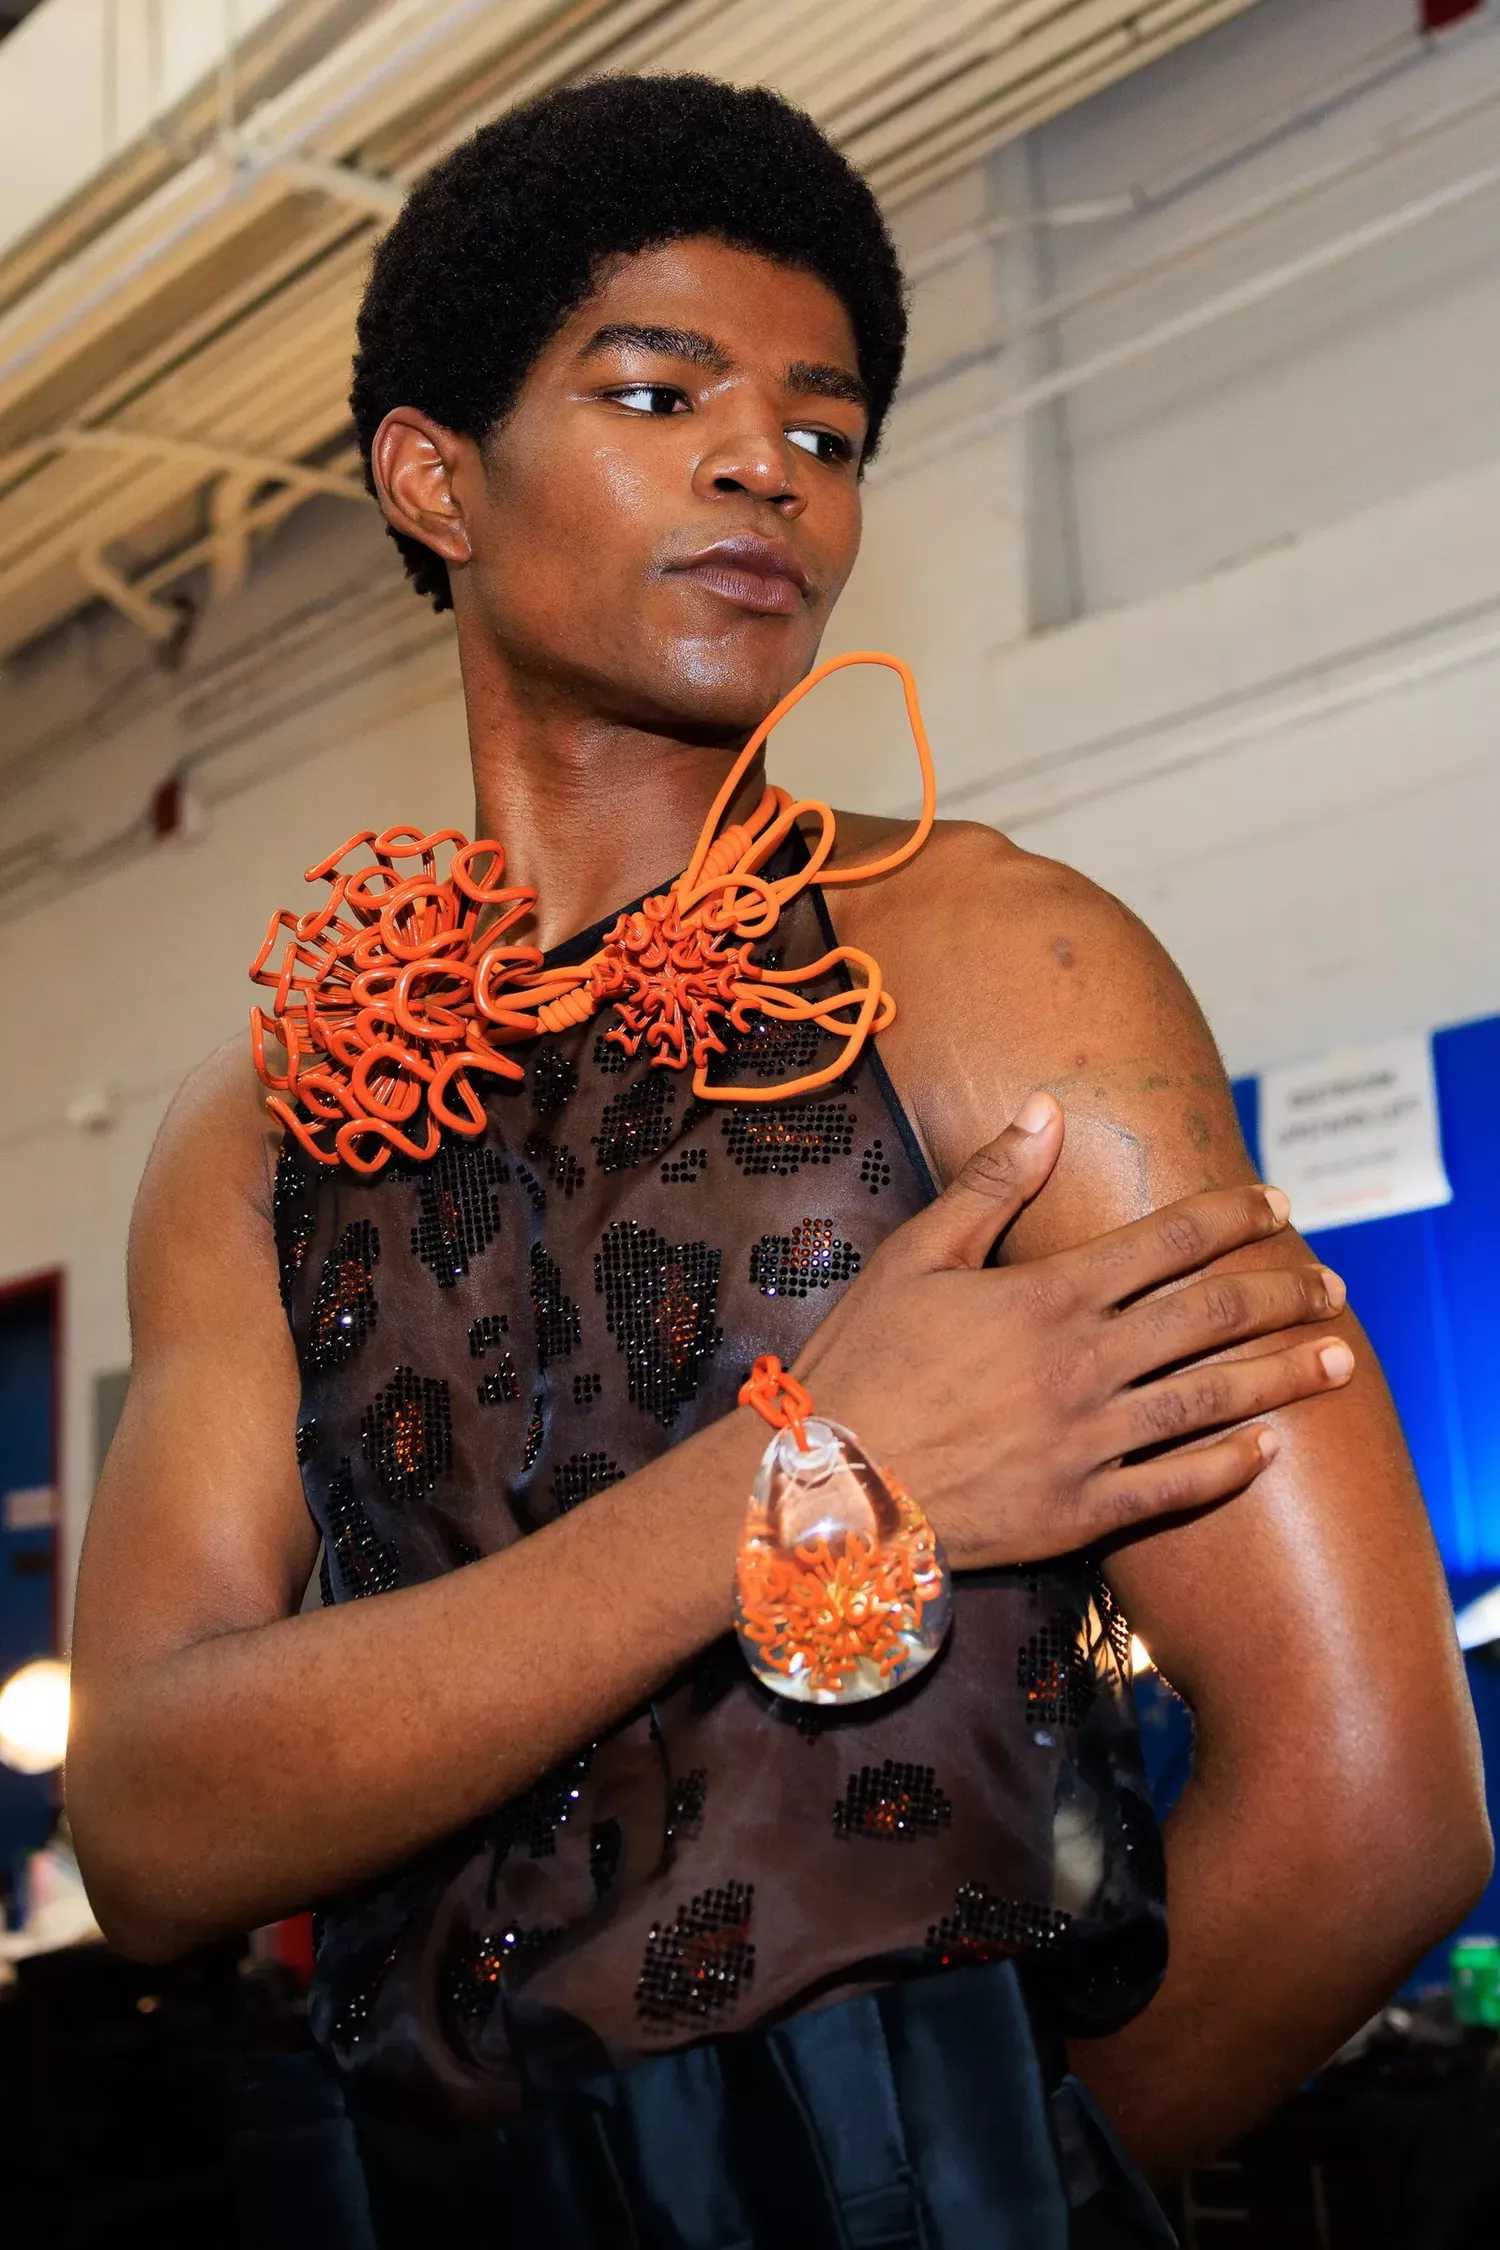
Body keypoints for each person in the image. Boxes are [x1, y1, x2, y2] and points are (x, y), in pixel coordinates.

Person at [67, 73, 1490, 2250]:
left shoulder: (997, 968)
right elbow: (154, 1829)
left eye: (827, 433)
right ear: (434, 478)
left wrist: (993, 2195)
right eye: (661, 395)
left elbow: (1372, 1804)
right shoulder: (272, 1117)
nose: (769, 466)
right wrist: (798, 1483)